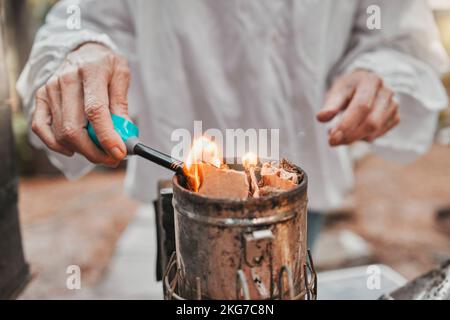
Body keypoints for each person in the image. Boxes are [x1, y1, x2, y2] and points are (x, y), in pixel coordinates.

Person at [17, 0, 448, 249]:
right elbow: (86, 16)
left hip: (298, 182)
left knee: (280, 284)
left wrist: (379, 71)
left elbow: (395, 34)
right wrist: (84, 46)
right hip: (179, 198)